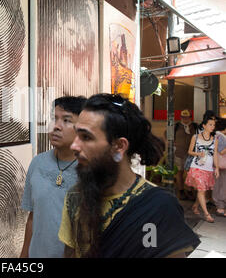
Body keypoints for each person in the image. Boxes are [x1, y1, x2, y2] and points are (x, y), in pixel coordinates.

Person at [58, 93, 200, 258]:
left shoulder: (158, 207)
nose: (74, 146)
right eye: (76, 135)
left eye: (86, 137)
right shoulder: (76, 197)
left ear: (119, 146)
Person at [20, 96, 87, 258]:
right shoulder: (38, 162)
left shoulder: (89, 170)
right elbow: (33, 217)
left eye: (66, 120)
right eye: (53, 118)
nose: (56, 126)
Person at [185, 116, 217, 223]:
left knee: (202, 190)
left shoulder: (214, 139)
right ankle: (207, 214)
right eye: (210, 124)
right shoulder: (195, 137)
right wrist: (198, 153)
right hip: (197, 167)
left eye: (213, 125)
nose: (212, 127)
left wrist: (216, 167)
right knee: (201, 190)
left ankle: (195, 206)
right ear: (204, 126)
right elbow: (189, 151)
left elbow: (215, 155)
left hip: (208, 168)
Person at [174, 110, 198, 200]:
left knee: (190, 173)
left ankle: (189, 190)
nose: (185, 119)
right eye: (183, 117)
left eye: (187, 117)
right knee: (179, 172)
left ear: (190, 117)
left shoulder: (195, 126)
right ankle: (181, 190)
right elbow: (167, 135)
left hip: (191, 154)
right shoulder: (176, 126)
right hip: (179, 153)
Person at [213, 118, 226, 216]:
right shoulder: (220, 136)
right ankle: (220, 208)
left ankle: (220, 207)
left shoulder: (216, 135)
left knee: (219, 185)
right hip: (221, 165)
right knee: (221, 185)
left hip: (218, 165)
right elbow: (221, 151)